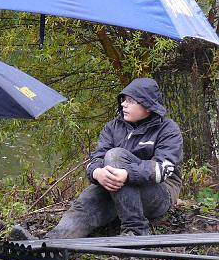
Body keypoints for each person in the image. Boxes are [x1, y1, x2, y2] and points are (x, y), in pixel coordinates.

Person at [13, 77, 182, 240]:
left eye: (130, 100)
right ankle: (49, 244)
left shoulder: (167, 128)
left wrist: (127, 174)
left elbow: (162, 169)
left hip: (158, 194)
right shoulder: (112, 127)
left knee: (115, 155)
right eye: (123, 99)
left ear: (147, 105)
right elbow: (95, 160)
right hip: (118, 191)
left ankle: (136, 230)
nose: (123, 104)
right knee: (87, 200)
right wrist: (97, 173)